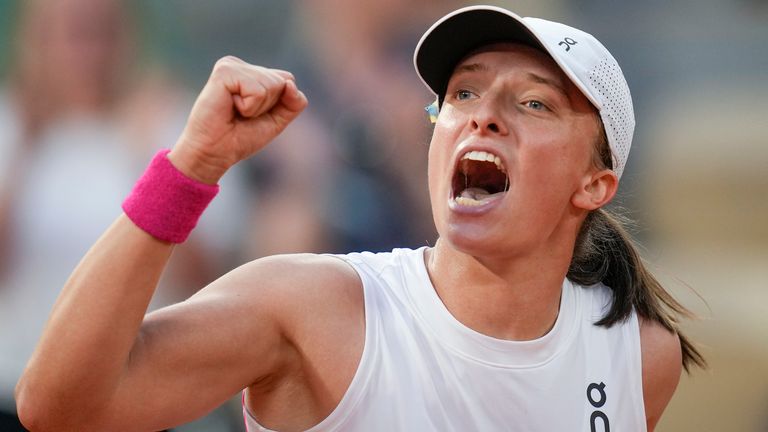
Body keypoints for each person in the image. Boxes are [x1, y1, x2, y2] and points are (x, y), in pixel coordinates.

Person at [14, 5, 704, 432]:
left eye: (534, 103)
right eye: (463, 92)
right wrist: (190, 165)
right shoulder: (313, 306)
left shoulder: (641, 357)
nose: (484, 112)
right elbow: (59, 407)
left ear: (596, 183)